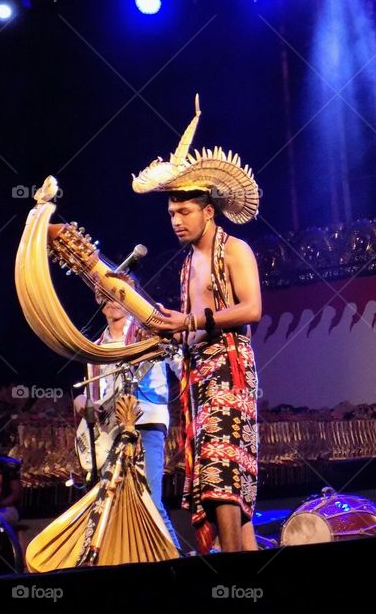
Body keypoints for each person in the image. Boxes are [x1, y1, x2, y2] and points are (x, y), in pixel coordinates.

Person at [132, 96, 262, 553]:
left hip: (229, 368)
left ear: (208, 210)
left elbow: (251, 309)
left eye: (183, 212)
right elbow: (191, 327)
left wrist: (189, 320)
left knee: (222, 471)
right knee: (211, 471)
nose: (176, 221)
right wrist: (166, 334)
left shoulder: (236, 250)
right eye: (170, 214)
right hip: (196, 374)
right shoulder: (188, 264)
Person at [73, 276, 181, 548]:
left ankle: (178, 561)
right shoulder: (96, 346)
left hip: (146, 422)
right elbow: (95, 393)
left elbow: (182, 365)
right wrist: (83, 398)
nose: (114, 300)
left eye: (120, 294)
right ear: (99, 300)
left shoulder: (149, 332)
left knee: (150, 501)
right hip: (111, 432)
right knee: (114, 505)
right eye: (107, 295)